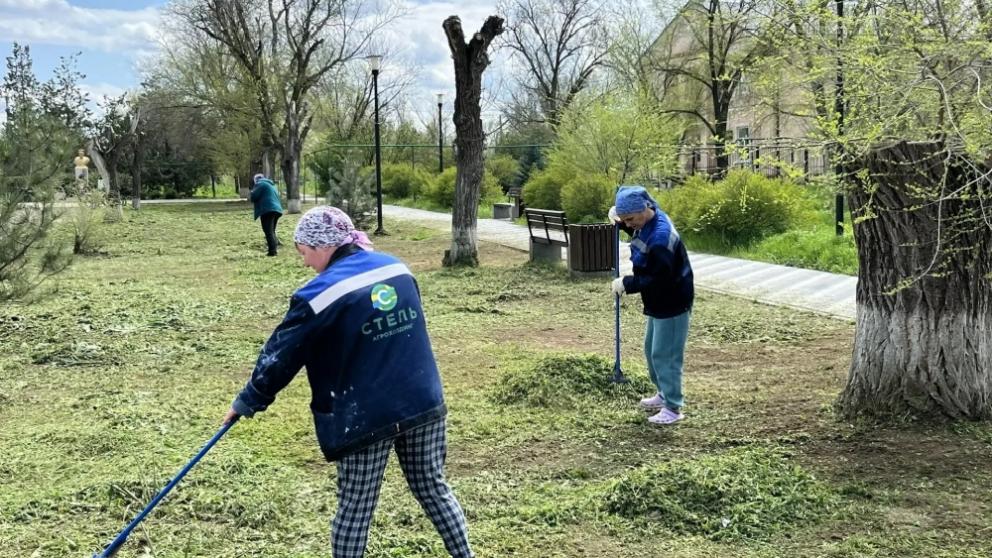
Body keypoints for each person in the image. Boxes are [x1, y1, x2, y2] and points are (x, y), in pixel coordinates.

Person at [223, 206, 474, 558]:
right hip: (422, 400)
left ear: (321, 246)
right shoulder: (397, 268)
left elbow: (280, 357)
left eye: (305, 253)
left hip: (365, 415)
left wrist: (248, 400)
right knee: (434, 488)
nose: (306, 263)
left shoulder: (317, 296)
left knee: (355, 508)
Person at [608, 185, 694, 425]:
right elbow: (638, 230)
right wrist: (622, 222)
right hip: (659, 301)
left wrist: (628, 283)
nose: (629, 223)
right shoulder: (648, 220)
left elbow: (659, 278)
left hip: (673, 300)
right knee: (651, 350)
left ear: (645, 208)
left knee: (665, 355)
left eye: (630, 219)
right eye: (625, 219)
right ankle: (663, 394)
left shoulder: (660, 238)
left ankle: (673, 407)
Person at [250, 173, 284, 256]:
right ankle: (274, 247)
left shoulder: (260, 184)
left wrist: (251, 191)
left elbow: (253, 197)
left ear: (256, 180)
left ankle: (272, 251)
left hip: (267, 209)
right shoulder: (271, 184)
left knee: (268, 231)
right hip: (277, 210)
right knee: (272, 231)